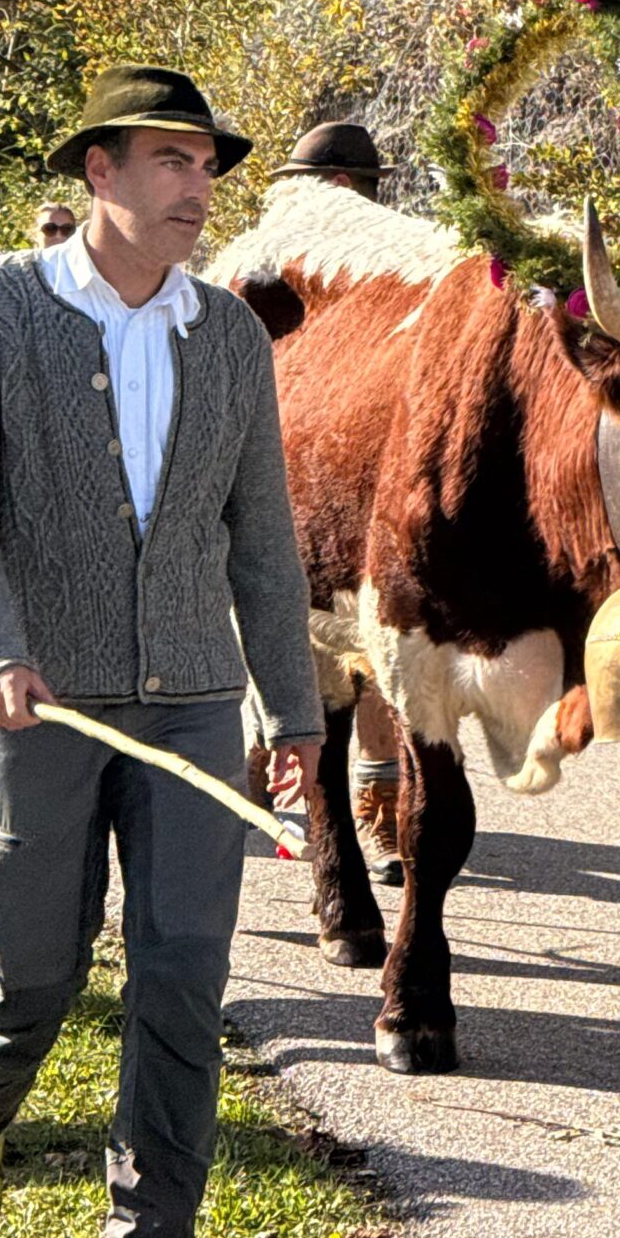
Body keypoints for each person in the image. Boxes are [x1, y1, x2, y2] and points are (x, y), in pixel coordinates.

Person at [0, 66, 322, 1238]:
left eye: (208, 163)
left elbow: (263, 545)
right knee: (27, 981)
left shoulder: (228, 336)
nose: (198, 185)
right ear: (99, 170)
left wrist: (292, 709)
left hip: (190, 705)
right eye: (171, 159)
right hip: (37, 704)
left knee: (180, 979)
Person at [263, 119, 402, 874]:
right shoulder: (268, 283)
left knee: (375, 656)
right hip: (283, 513)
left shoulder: (392, 284)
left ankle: (378, 800)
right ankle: (304, 795)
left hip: (359, 517)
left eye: (300, 187)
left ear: (340, 190)